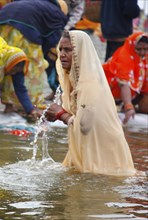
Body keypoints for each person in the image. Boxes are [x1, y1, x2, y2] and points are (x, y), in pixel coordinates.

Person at [45, 30, 136, 176]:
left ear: (80, 53)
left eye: (68, 50)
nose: (62, 54)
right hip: (92, 153)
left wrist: (61, 114)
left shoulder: (89, 83)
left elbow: (85, 126)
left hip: (106, 161)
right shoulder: (76, 81)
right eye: (60, 49)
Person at [0, 0, 67, 110]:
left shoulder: (40, 5)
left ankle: (9, 104)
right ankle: (31, 105)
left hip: (0, 23)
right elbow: (52, 45)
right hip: (23, 28)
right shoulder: (57, 14)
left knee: (9, 62)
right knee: (31, 67)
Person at [0, 26, 42, 121]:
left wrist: (31, 110)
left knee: (8, 79)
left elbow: (20, 89)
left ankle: (8, 106)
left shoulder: (15, 62)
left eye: (17, 71)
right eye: (14, 70)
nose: (14, 73)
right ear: (11, 64)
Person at [103, 32, 148, 124]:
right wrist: (128, 107)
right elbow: (123, 84)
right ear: (133, 46)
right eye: (139, 49)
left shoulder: (144, 57)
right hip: (108, 95)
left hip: (132, 95)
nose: (143, 52)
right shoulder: (124, 56)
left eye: (146, 49)